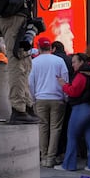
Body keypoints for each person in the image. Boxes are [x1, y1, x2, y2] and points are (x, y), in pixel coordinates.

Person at [0, 0, 48, 125]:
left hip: (17, 15)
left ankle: (27, 106)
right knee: (18, 62)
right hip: (15, 16)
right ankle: (18, 109)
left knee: (25, 62)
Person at [55, 53, 90, 172]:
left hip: (81, 108)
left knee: (72, 136)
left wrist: (64, 85)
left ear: (81, 62)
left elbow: (74, 91)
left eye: (75, 62)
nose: (73, 64)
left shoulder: (81, 75)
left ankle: (69, 164)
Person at [29, 37, 68, 168]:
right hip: (57, 98)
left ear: (39, 48)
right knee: (55, 129)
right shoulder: (59, 61)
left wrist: (33, 98)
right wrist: (65, 96)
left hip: (40, 98)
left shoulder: (34, 62)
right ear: (51, 48)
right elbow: (65, 79)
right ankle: (51, 158)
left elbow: (30, 83)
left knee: (42, 127)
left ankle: (44, 156)